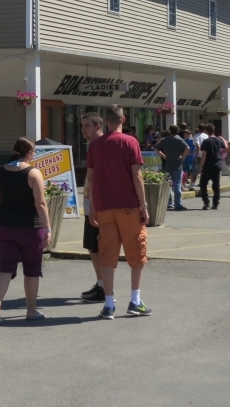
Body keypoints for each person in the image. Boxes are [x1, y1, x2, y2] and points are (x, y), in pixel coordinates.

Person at [87, 104, 151, 319]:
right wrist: (144, 205)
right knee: (137, 255)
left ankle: (108, 304)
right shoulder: (130, 142)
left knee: (107, 257)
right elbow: (137, 175)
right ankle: (135, 300)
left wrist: (93, 207)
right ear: (123, 120)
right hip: (129, 207)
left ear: (106, 121)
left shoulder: (95, 145)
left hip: (105, 207)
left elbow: (92, 178)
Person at [0, 138, 51, 324]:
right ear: (30, 153)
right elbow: (40, 204)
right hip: (29, 229)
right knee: (31, 269)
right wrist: (47, 227)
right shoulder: (33, 174)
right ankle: (31, 310)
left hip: (3, 226)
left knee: (5, 267)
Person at [79, 112, 105, 304]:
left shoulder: (102, 145)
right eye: (82, 126)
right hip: (91, 204)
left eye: (87, 125)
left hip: (99, 205)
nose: (83, 130)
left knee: (97, 246)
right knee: (92, 246)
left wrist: (94, 206)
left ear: (98, 126)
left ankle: (104, 287)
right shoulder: (92, 147)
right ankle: (101, 283)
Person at [155, 125, 188, 211]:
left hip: (168, 164)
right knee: (177, 184)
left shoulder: (165, 140)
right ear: (177, 131)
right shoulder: (179, 140)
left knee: (168, 184)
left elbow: (156, 147)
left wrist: (163, 156)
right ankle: (178, 204)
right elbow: (187, 148)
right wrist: (183, 156)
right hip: (177, 164)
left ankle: (169, 203)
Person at [197, 125, 224, 210]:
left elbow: (204, 155)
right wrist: (223, 139)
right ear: (214, 130)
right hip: (217, 164)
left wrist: (201, 167)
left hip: (208, 165)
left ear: (206, 131)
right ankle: (215, 203)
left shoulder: (206, 141)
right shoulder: (219, 140)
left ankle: (206, 202)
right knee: (216, 184)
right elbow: (226, 148)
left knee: (203, 184)